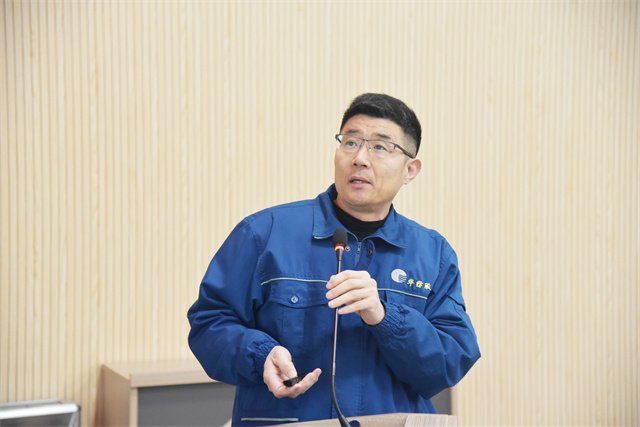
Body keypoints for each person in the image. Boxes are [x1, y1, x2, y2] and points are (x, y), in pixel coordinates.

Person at [187, 93, 481, 426]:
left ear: (409, 170)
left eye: (381, 147)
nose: (360, 158)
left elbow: (449, 362)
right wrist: (259, 353)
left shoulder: (433, 254)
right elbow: (209, 323)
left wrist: (385, 317)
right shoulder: (264, 233)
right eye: (350, 142)